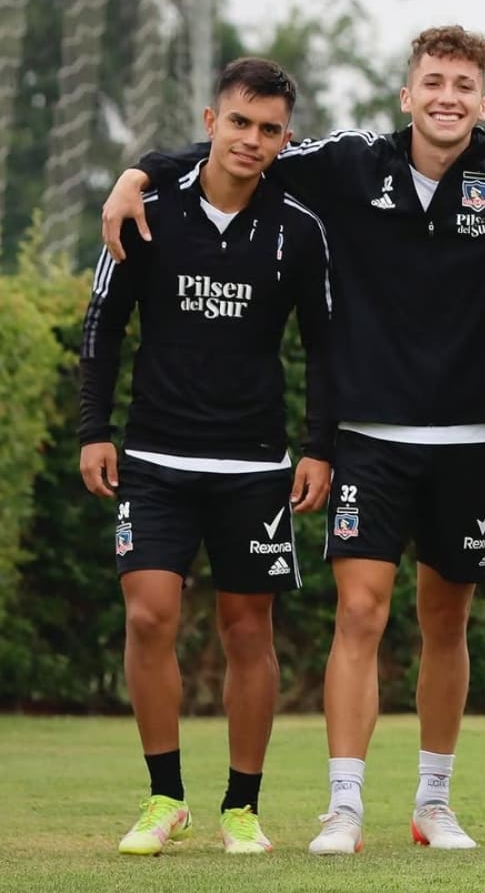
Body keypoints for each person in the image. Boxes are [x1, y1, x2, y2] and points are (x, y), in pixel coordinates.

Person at [101, 26, 485, 855]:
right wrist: (136, 174)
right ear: (407, 93)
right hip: (371, 433)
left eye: (464, 85)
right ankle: (344, 806)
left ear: (484, 102)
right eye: (433, 82)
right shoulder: (349, 161)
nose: (448, 97)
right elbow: (242, 149)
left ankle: (433, 803)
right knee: (360, 612)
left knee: (444, 622)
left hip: (473, 434)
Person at [79, 57, 333, 856]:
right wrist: (95, 428)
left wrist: (320, 447)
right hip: (153, 457)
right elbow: (102, 326)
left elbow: (327, 351)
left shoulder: (299, 228)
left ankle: (242, 807)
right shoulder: (148, 210)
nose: (252, 140)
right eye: (239, 123)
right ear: (209, 121)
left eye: (269, 130)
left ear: (285, 139)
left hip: (254, 463)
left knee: (245, 630)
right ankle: (165, 798)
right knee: (150, 614)